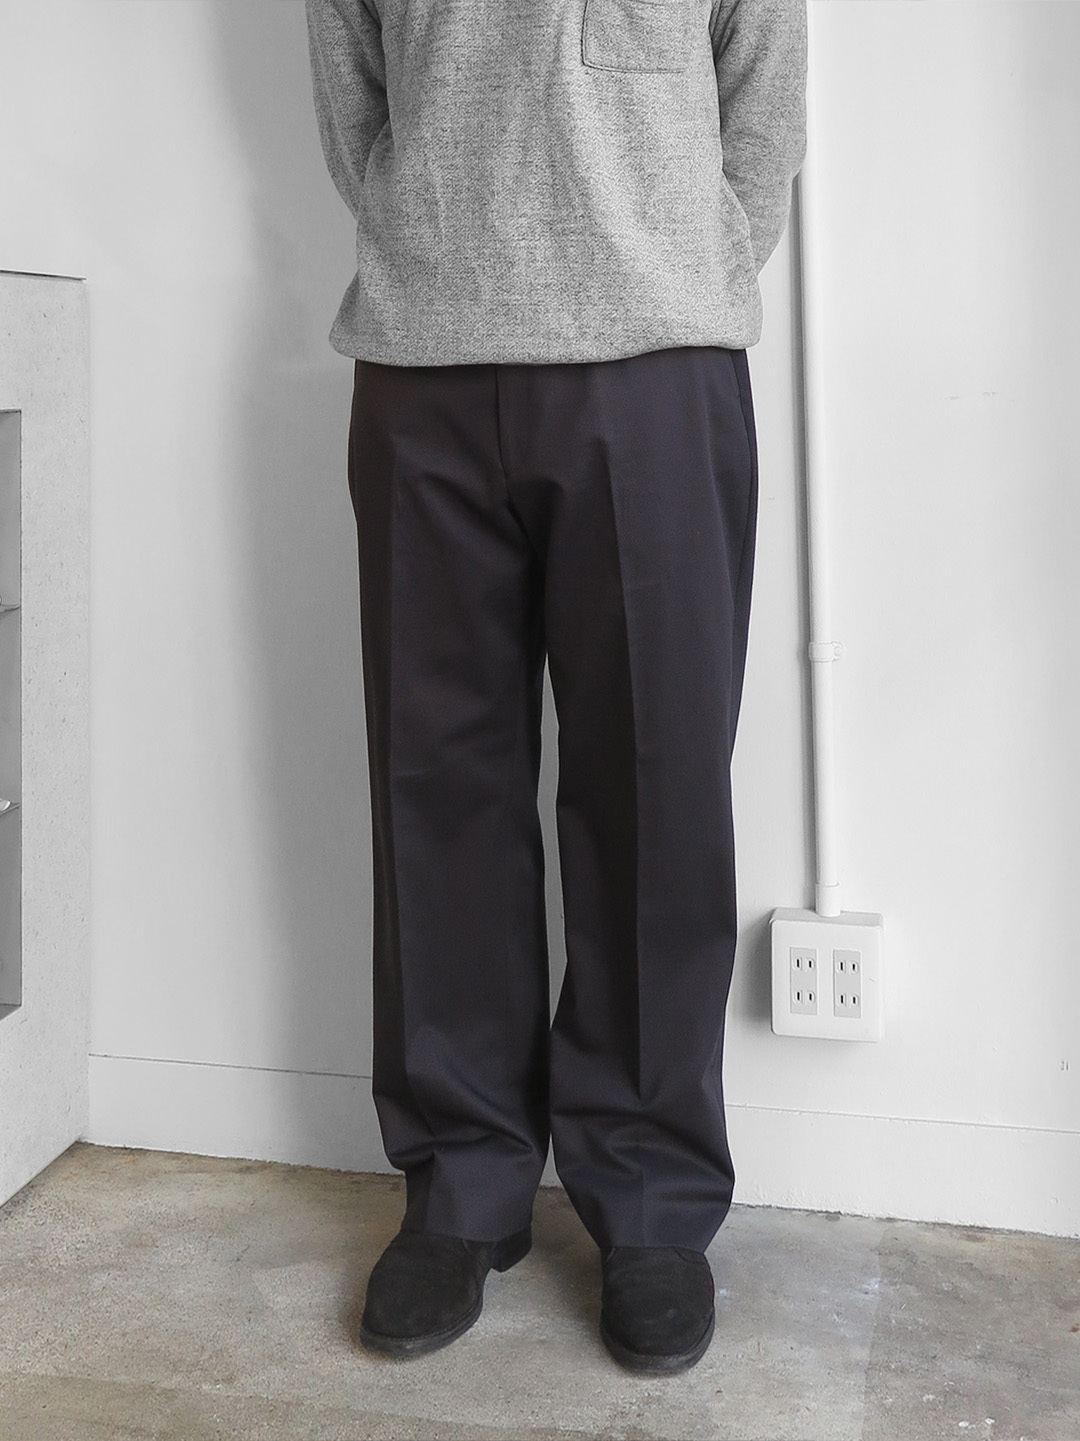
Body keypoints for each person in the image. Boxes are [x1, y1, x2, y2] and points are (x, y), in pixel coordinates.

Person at [305, 0, 806, 1375]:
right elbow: (353, 94)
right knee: (435, 786)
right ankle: (462, 1180)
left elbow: (762, 100)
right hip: (424, 360)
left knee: (657, 789)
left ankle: (649, 1196)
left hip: (656, 363)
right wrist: (433, 237)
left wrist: (674, 260)